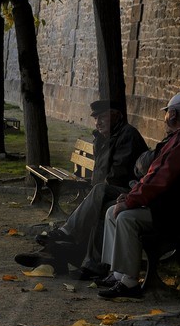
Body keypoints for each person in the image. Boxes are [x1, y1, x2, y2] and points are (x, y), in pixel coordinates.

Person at [94, 92, 180, 298]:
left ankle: (129, 282)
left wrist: (130, 201)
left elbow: (160, 176)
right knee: (113, 212)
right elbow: (158, 176)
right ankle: (117, 274)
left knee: (125, 217)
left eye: (167, 114)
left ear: (173, 115)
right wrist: (130, 198)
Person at [16, 100, 148, 275]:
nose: (97, 122)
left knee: (99, 201)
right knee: (96, 202)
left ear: (116, 115)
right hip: (109, 190)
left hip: (127, 191)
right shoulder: (103, 138)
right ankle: (54, 255)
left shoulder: (128, 135)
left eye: (102, 117)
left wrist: (94, 194)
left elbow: (118, 175)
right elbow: (101, 174)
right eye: (95, 118)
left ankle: (69, 243)